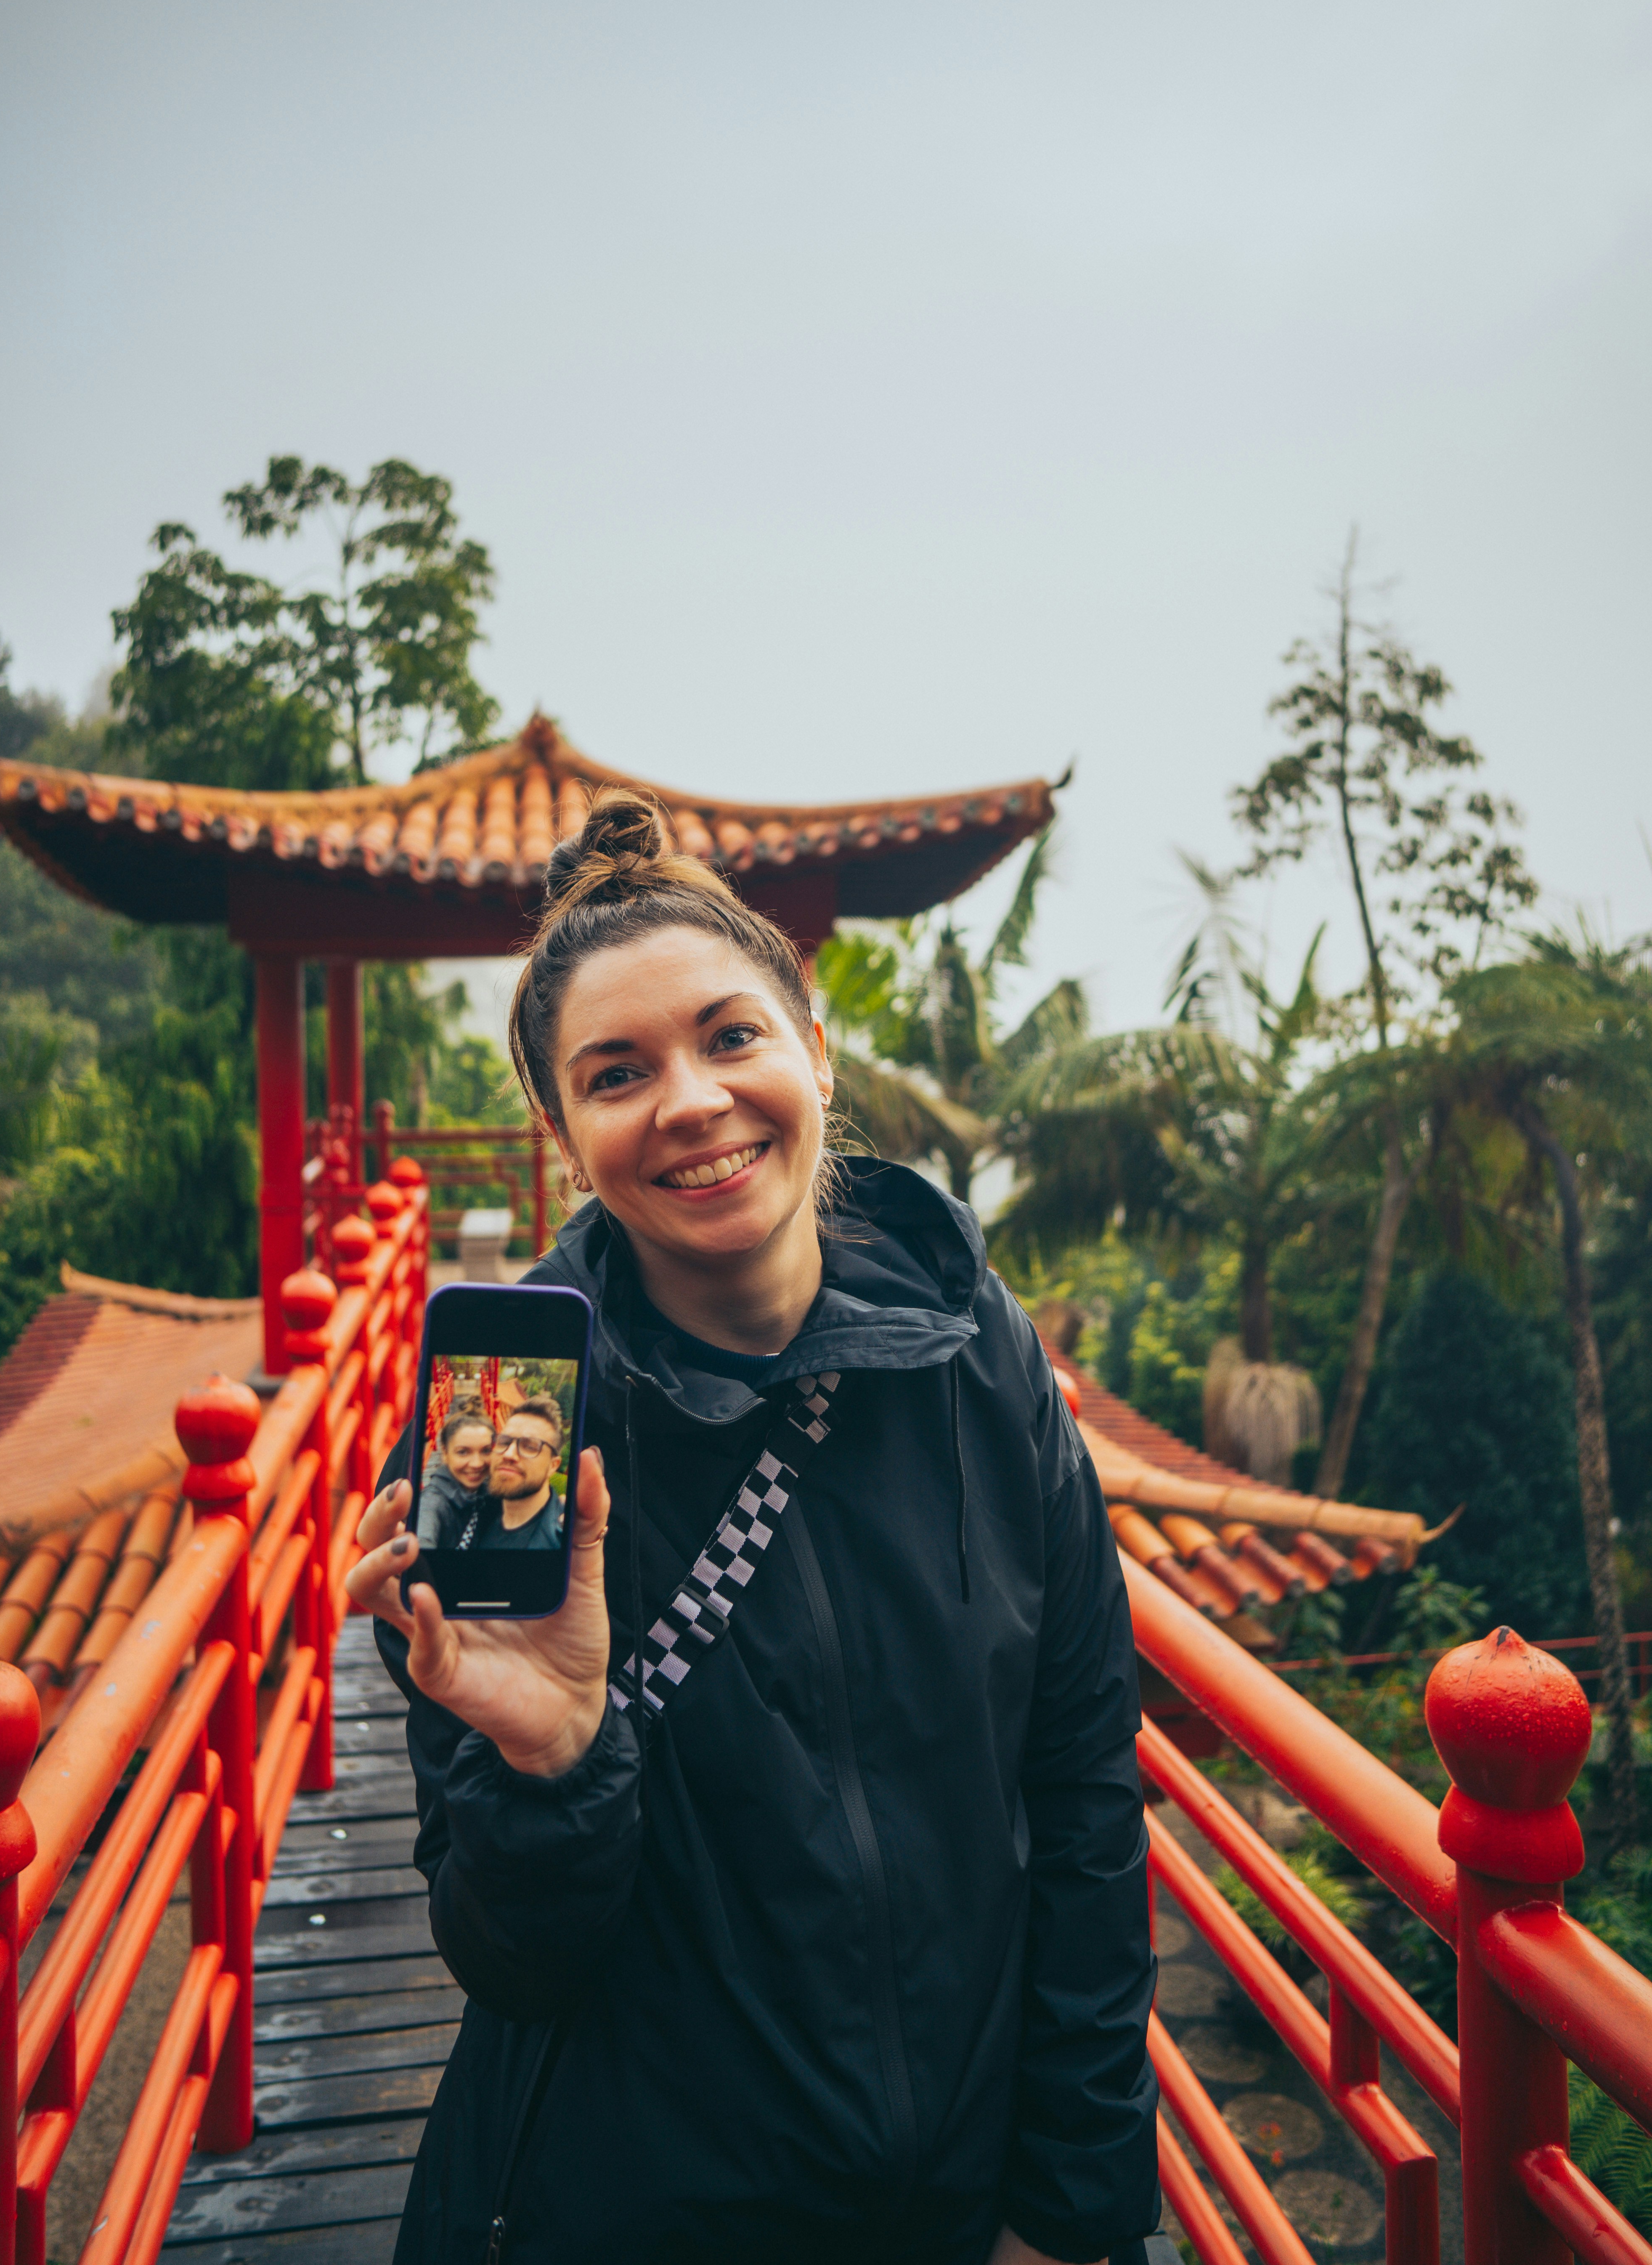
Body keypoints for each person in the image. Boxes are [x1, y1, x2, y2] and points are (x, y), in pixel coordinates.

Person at [348, 788, 1158, 2265]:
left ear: (815, 1054)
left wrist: (1070, 2205)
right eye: (616, 1072)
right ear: (564, 1134)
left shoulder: (980, 1353)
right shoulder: (508, 1425)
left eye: (732, 1036)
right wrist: (550, 1763)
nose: (691, 1101)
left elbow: (1084, 1788)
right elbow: (509, 1964)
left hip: (966, 2201)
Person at [476, 1392, 566, 1552]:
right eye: (504, 1442)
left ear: (553, 1466)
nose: (509, 1454)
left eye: (530, 1447)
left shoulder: (559, 1541)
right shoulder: (478, 1508)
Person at [417, 1401, 496, 1551]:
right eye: (463, 1452)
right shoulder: (433, 1502)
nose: (477, 1464)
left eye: (486, 1451)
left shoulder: (488, 1493)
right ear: (445, 1453)